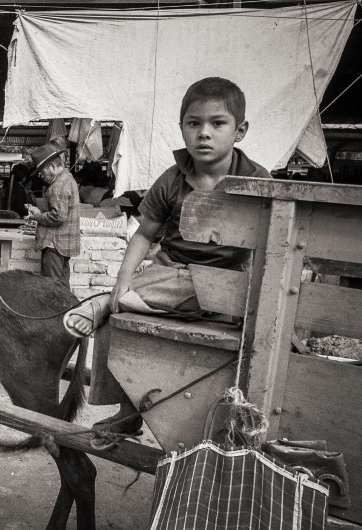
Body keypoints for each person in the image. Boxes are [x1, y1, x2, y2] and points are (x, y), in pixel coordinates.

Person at [61, 77, 271, 446]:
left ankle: (104, 304)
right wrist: (121, 282)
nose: (204, 133)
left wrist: (257, 300)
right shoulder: (172, 179)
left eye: (217, 123)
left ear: (240, 131)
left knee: (204, 291)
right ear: (182, 129)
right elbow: (144, 234)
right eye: (194, 123)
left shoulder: (257, 181)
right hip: (171, 273)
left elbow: (266, 248)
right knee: (118, 315)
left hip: (228, 285)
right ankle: (126, 416)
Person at [24, 141, 81, 287]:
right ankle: (68, 310)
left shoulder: (58, 185)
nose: (41, 176)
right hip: (63, 243)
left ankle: (55, 311)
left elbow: (58, 217)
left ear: (53, 167)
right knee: (62, 285)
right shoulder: (68, 179)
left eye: (42, 171)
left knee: (50, 287)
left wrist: (38, 216)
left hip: (55, 244)